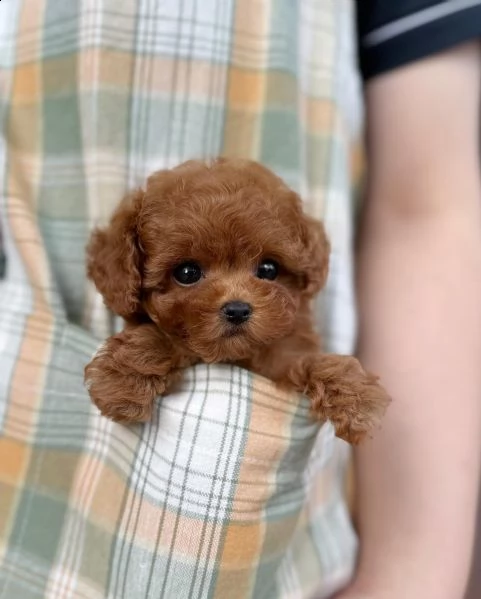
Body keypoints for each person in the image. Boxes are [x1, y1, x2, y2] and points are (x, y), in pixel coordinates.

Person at [0, 1, 480, 598]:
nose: (234, 299)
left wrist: (412, 582)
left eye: (268, 269)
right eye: (188, 272)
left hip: (299, 563)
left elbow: (430, 209)